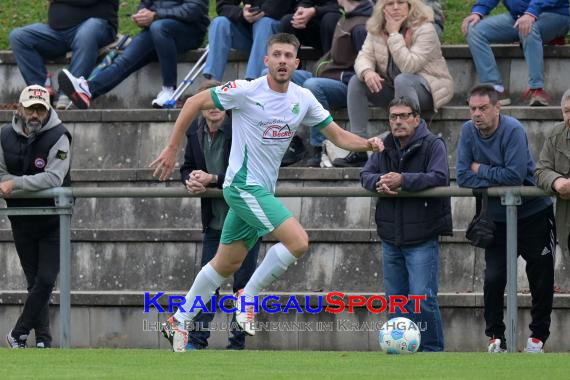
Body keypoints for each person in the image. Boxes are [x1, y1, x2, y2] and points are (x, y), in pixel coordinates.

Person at [150, 33, 381, 352]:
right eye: (277, 55)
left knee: (224, 264)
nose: (283, 60)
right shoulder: (246, 90)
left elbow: (338, 135)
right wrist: (173, 147)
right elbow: (193, 102)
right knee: (298, 241)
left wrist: (367, 144)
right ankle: (248, 295)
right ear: (266, 60)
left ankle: (181, 318)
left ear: (297, 63)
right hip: (242, 188)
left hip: (259, 193)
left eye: (289, 56)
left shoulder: (303, 98)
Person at [456, 84, 555, 353]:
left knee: (541, 275)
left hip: (533, 214)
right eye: (473, 109)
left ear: (497, 107)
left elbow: (514, 176)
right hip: (496, 219)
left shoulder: (513, 130)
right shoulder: (467, 131)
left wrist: (480, 168)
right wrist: (487, 171)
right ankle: (496, 338)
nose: (477, 114)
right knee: (493, 278)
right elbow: (463, 175)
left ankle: (537, 338)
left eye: (483, 108)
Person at [360, 96, 451, 352]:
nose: (397, 121)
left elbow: (440, 176)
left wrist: (404, 180)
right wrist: (378, 182)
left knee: (423, 300)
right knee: (396, 301)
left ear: (416, 119)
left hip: (422, 236)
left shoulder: (434, 144)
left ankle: (431, 352)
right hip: (391, 236)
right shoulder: (384, 145)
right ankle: (400, 350)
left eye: (403, 116)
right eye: (393, 117)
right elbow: (365, 175)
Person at [179, 80, 261, 350]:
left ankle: (237, 345)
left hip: (245, 220)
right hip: (214, 221)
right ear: (201, 107)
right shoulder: (194, 132)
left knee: (243, 284)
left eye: (220, 101)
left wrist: (213, 178)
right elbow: (188, 167)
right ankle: (197, 340)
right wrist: (189, 179)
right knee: (207, 283)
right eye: (208, 102)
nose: (214, 106)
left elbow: (251, 174)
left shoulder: (241, 128)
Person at [334, 0, 453, 168]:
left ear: (410, 5)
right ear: (382, 8)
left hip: (428, 88)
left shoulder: (425, 29)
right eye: (390, 3)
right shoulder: (376, 29)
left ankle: (410, 146)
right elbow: (363, 57)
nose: (396, 7)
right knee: (357, 81)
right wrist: (367, 72)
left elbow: (409, 67)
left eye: (401, 2)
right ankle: (358, 148)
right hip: (394, 88)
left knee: (403, 79)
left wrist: (394, 34)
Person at [1, 85, 72, 349]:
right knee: (34, 283)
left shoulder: (60, 135)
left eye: (40, 109)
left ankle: (17, 333)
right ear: (19, 108)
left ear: (48, 110)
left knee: (45, 280)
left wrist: (15, 183)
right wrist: (12, 183)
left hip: (54, 218)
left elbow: (54, 177)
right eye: (31, 108)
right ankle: (43, 340)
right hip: (20, 218)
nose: (35, 114)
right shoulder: (4, 135)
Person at [57, 0, 210, 109]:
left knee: (159, 27)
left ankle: (169, 90)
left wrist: (156, 16)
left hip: (189, 31)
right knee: (124, 60)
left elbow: (195, 9)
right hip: (156, 30)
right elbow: (146, 4)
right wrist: (142, 15)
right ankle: (88, 91)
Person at [282, 0, 373, 167]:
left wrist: (335, 76)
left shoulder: (361, 26)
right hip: (327, 77)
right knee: (276, 75)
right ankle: (282, 137)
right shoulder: (346, 18)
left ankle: (321, 147)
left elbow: (367, 69)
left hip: (346, 86)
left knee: (312, 85)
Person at [9, 0, 118, 109]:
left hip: (95, 26)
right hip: (57, 32)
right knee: (19, 37)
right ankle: (42, 90)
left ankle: (69, 93)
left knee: (87, 33)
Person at [461, 0, 570, 106]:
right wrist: (478, 12)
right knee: (474, 30)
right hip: (518, 17)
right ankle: (494, 88)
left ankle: (537, 89)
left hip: (555, 13)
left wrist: (531, 12)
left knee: (529, 28)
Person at [203, 1, 292, 81]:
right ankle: (212, 82)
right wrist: (241, 13)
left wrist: (261, 12)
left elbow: (282, 5)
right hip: (249, 31)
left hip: (276, 32)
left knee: (264, 23)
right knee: (219, 22)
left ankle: (254, 82)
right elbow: (223, 6)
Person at [535, 88, 570, 254]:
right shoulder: (555, 135)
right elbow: (541, 171)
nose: (569, 116)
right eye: (567, 111)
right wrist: (557, 181)